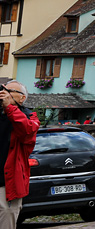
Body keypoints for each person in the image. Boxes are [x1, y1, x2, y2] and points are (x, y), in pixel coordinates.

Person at [0, 81, 38, 229]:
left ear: (22, 98)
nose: (5, 92)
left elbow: (27, 132)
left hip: (7, 184)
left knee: (6, 219)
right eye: (4, 89)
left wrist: (9, 108)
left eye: (9, 90)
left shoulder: (30, 117)